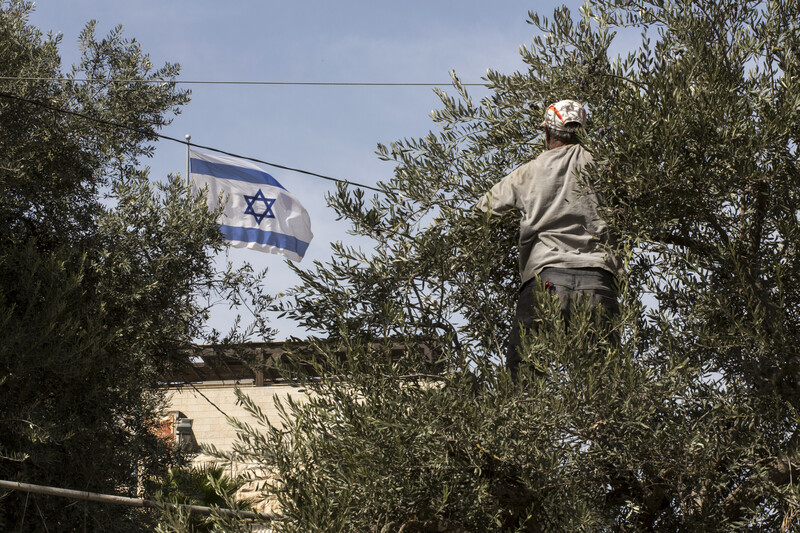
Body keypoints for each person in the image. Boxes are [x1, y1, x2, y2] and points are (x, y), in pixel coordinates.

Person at [475, 99, 623, 376]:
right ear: (581, 130)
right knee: (607, 387)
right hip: (598, 281)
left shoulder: (528, 172)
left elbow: (484, 208)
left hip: (546, 280)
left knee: (526, 382)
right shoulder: (603, 167)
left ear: (546, 133)